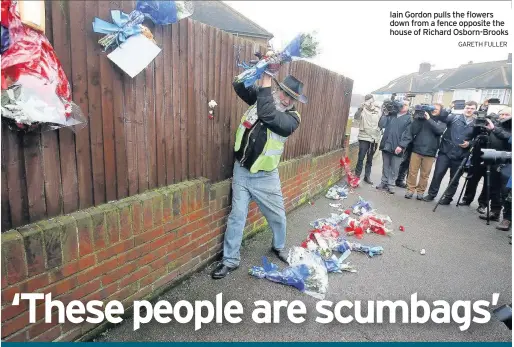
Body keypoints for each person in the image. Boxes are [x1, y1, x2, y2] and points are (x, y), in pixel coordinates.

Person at [211, 65, 306, 280]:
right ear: (278, 89)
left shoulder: (293, 119)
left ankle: (278, 246)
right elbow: (238, 83)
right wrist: (259, 67)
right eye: (285, 94)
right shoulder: (262, 98)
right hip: (242, 171)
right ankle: (230, 260)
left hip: (266, 176)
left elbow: (268, 115)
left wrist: (265, 81)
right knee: (237, 216)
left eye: (292, 98)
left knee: (278, 216)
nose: (287, 100)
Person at [460, 107, 512, 219]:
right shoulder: (492, 124)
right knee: (473, 179)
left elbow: (506, 137)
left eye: (506, 114)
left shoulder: (508, 128)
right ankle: (467, 199)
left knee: (494, 187)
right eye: (501, 114)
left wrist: (493, 129)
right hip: (481, 156)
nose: (503, 117)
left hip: (500, 160)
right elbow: (475, 136)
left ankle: (487, 207)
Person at [423, 101, 478, 204]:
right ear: (464, 108)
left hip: (461, 154)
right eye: (467, 107)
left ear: (475, 110)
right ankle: (431, 194)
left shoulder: (477, 123)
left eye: (472, 108)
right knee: (438, 174)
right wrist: (442, 109)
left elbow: (479, 139)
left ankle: (448, 198)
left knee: (455, 178)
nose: (469, 110)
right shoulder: (454, 117)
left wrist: (470, 143)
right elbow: (442, 117)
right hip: (445, 151)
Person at [402, 103, 446, 200]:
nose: (434, 110)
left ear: (440, 111)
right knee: (412, 172)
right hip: (417, 149)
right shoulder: (421, 118)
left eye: (437, 109)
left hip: (430, 152)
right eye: (433, 108)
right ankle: (410, 190)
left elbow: (439, 131)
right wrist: (417, 118)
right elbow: (413, 130)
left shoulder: (441, 121)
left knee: (425, 174)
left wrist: (429, 119)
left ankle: (420, 191)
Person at [376, 99, 412, 194]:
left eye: (405, 105)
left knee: (395, 167)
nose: (403, 106)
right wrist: (385, 113)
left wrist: (401, 145)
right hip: (387, 144)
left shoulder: (409, 118)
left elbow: (408, 135)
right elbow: (381, 125)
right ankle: (384, 182)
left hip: (398, 146)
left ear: (408, 107)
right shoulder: (392, 114)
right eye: (402, 104)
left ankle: (391, 184)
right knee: (386, 165)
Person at [353, 94, 381, 185]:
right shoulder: (362, 109)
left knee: (370, 158)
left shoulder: (378, 110)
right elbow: (356, 118)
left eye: (371, 100)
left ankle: (367, 176)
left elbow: (381, 122)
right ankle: (356, 176)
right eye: (368, 100)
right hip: (364, 137)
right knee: (361, 157)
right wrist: (360, 108)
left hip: (374, 138)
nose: (370, 103)